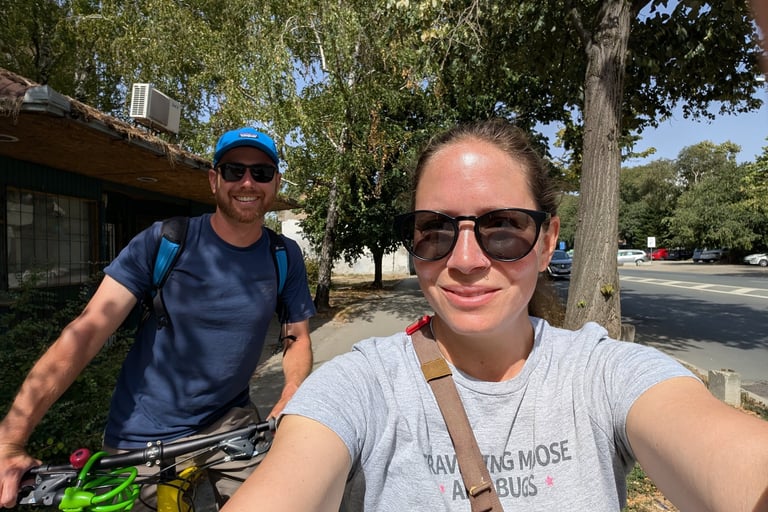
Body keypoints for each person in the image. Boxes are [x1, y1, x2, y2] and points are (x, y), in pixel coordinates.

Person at [220, 119, 768, 512]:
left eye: (502, 227)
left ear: (548, 240)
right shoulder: (359, 386)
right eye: (434, 228)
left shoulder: (603, 375)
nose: (463, 261)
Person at [0, 127, 316, 509]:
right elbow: (85, 332)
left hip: (231, 424)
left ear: (275, 183)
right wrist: (10, 442)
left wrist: (293, 390)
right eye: (234, 171)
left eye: (262, 173)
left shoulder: (285, 254)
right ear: (214, 180)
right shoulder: (165, 241)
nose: (247, 182)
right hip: (144, 438)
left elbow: (296, 336)